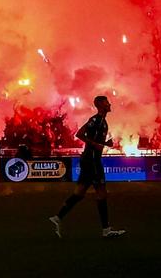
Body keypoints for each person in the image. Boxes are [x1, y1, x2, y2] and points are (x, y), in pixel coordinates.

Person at [51, 96, 126, 238]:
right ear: (101, 105)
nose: (109, 104)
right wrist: (95, 144)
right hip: (92, 161)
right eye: (106, 103)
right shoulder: (96, 120)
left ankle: (57, 218)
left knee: (79, 193)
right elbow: (79, 134)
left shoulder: (102, 121)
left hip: (89, 160)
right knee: (101, 193)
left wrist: (105, 144)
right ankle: (106, 230)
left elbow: (93, 139)